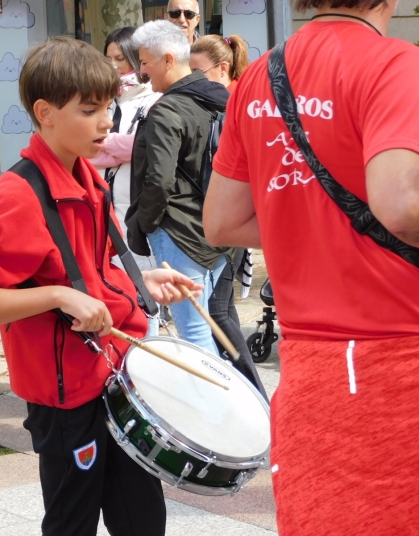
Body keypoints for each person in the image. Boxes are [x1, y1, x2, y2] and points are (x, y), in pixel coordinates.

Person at [0, 36, 202, 536]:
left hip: (116, 376)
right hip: (65, 400)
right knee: (72, 523)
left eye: (108, 107)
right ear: (45, 113)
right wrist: (58, 297)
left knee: (143, 517)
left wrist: (141, 279)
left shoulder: (90, 177)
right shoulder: (19, 196)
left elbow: (86, 270)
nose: (107, 121)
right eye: (90, 110)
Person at [203, 0, 419, 531]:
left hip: (306, 366)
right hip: (397, 358)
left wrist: (311, 226)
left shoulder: (259, 75)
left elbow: (222, 222)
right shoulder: (395, 63)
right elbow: (401, 205)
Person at [125, 20, 230, 356]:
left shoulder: (169, 109)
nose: (141, 72)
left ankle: (215, 407)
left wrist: (144, 223)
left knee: (195, 334)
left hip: (180, 233)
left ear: (168, 60)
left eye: (145, 62)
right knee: (206, 326)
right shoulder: (220, 100)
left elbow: (159, 180)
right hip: (220, 230)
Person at [189, 33, 266, 398]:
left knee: (218, 309)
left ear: (222, 68)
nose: (190, 77)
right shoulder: (225, 99)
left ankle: (254, 397)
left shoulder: (234, 103)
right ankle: (245, 395)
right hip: (229, 221)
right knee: (222, 308)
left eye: (196, 70)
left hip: (228, 222)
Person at [89, 26, 160, 274]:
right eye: (108, 59)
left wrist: (105, 142)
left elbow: (147, 145)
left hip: (135, 208)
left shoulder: (153, 99)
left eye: (120, 59)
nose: (113, 66)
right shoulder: (102, 100)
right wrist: (122, 146)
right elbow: (86, 149)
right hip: (98, 204)